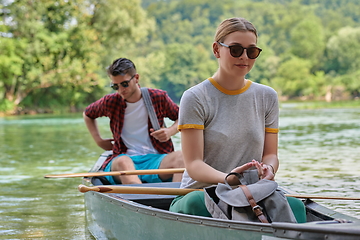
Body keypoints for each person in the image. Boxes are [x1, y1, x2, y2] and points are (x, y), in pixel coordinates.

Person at [169, 17, 306, 223]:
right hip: (203, 194)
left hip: (252, 194)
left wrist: (269, 168)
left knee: (296, 206)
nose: (244, 57)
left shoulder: (267, 96)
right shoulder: (195, 97)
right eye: (235, 49)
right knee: (195, 204)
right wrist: (227, 178)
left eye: (251, 51)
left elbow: (270, 154)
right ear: (217, 50)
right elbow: (194, 165)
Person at [83, 57, 184, 185]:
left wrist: (170, 131)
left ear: (136, 78)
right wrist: (99, 141)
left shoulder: (157, 97)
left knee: (182, 157)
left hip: (156, 160)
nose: (120, 90)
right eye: (115, 86)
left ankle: (176, 200)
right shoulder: (111, 101)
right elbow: (88, 114)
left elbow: (182, 116)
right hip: (124, 160)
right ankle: (144, 201)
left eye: (125, 84)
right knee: (123, 162)